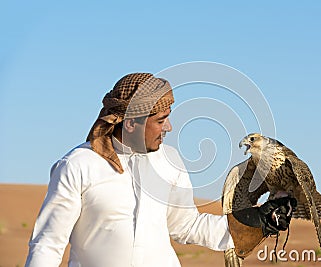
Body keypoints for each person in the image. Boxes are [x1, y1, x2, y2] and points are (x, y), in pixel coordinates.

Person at [25, 73, 294, 267]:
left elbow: (187, 225)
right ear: (131, 123)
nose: (169, 128)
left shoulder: (171, 161)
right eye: (161, 120)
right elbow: (48, 243)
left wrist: (257, 221)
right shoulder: (78, 165)